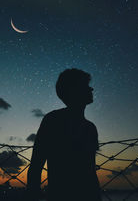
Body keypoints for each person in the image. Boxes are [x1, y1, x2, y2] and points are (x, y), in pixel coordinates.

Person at [27, 68, 102, 201]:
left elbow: (90, 171)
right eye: (85, 86)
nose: (91, 89)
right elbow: (36, 165)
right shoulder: (53, 120)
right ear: (73, 90)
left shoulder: (90, 128)